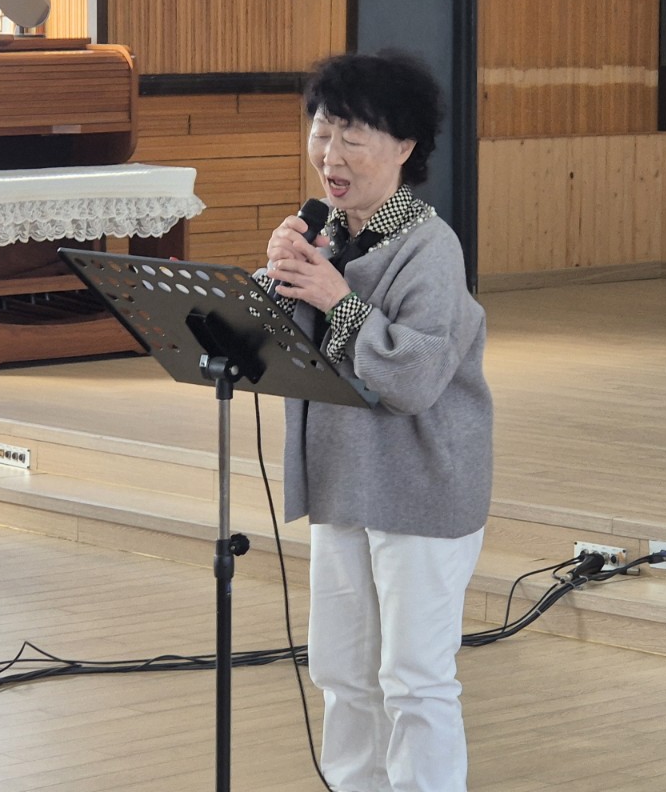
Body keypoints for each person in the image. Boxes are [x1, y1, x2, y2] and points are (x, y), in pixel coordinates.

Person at [261, 50, 493, 792]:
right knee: (341, 670)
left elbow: (414, 380)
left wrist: (334, 297)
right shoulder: (325, 237)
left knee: (414, 678)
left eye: (352, 136)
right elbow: (277, 351)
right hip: (344, 481)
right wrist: (277, 279)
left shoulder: (431, 248)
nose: (330, 155)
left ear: (404, 148)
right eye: (322, 131)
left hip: (420, 488)